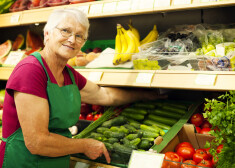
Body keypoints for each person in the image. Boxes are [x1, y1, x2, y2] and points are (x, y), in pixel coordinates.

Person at [0, 8, 166, 168]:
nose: (72, 40)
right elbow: (37, 142)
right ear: (47, 34)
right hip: (23, 161)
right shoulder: (31, 70)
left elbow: (104, 95)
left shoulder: (68, 74)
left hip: (55, 160)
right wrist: (84, 145)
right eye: (65, 31)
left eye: (79, 36)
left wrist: (144, 95)